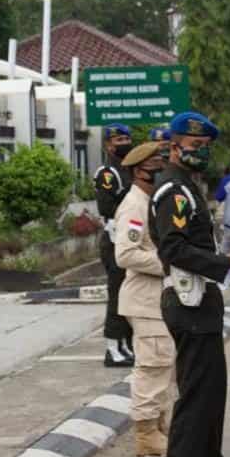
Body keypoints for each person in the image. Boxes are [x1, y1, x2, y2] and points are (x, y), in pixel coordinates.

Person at [150, 111, 230, 457]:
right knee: (196, 392)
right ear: (174, 146)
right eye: (195, 147)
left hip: (203, 298)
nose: (201, 154)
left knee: (213, 391)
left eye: (205, 148)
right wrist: (229, 263)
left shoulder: (188, 186)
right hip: (186, 300)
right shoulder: (172, 191)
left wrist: (229, 264)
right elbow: (172, 249)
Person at [114, 140, 176, 457]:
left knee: (165, 364)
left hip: (157, 299)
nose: (163, 169)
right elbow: (126, 253)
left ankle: (161, 425)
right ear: (140, 171)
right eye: (157, 165)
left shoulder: (153, 201)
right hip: (144, 299)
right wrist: (168, 264)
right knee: (152, 365)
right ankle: (146, 434)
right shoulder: (134, 205)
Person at [94, 124, 136, 367]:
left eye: (126, 138)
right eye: (118, 139)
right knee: (117, 294)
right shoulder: (108, 173)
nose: (124, 142)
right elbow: (106, 207)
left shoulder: (129, 169)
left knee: (128, 294)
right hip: (114, 240)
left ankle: (125, 344)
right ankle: (112, 348)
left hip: (129, 237)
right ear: (108, 145)